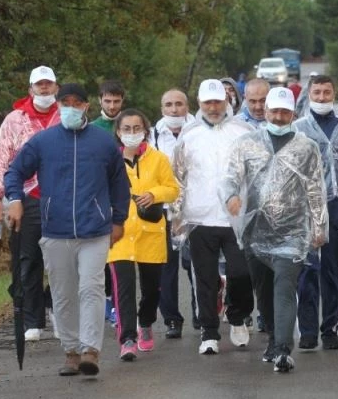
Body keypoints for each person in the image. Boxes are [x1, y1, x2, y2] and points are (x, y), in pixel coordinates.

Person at [5, 83, 131, 376]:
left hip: (94, 230)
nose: (71, 107)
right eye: (66, 102)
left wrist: (118, 220)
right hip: (55, 230)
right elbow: (14, 172)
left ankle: (90, 350)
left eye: (77, 103)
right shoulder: (43, 142)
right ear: (59, 106)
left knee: (91, 287)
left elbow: (119, 184)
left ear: (87, 106)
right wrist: (14, 200)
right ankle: (71, 350)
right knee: (63, 293)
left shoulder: (103, 142)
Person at [222, 87, 328, 373]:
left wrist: (319, 227)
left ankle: (283, 349)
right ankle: (272, 338)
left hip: (292, 233)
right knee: (264, 291)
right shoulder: (247, 144)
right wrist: (230, 196)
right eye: (274, 111)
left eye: (285, 112)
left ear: (293, 113)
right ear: (265, 111)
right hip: (256, 231)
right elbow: (230, 177)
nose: (279, 117)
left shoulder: (307, 147)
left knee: (284, 286)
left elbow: (316, 189)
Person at [171, 79, 255, 355]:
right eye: (208, 102)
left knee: (241, 273)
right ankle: (209, 332)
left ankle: (238, 315)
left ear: (227, 101)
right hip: (200, 217)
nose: (213, 107)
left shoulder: (244, 130)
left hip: (236, 217)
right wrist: (177, 215)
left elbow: (255, 171)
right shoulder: (189, 134)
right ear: (200, 104)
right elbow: (178, 176)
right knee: (204, 278)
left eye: (218, 101)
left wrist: (250, 205)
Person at [293, 75, 338, 350]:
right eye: (317, 92)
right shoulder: (298, 128)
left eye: (327, 93)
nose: (322, 97)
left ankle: (331, 328)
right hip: (306, 206)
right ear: (309, 95)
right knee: (308, 268)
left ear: (335, 95)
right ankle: (309, 329)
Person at [0, 65, 60, 342]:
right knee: (28, 259)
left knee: (62, 257)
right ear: (30, 89)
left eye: (48, 84)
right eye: (39, 85)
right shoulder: (15, 120)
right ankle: (33, 319)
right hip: (24, 197)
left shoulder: (66, 116)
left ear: (56, 87)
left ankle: (53, 303)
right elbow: (0, 159)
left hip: (60, 196)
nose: (44, 89)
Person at [106, 109, 179, 361]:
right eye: (126, 129)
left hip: (151, 231)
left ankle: (146, 321)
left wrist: (155, 194)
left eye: (137, 128)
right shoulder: (108, 161)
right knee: (124, 287)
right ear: (118, 132)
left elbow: (172, 189)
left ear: (145, 131)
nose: (132, 133)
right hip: (120, 233)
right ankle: (127, 338)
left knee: (151, 289)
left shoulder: (158, 159)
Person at [151, 89, 198, 338]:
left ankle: (201, 314)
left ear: (187, 106)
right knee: (165, 268)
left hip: (195, 210)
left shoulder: (200, 132)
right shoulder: (152, 136)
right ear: (161, 108)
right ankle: (171, 319)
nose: (174, 109)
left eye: (179, 104)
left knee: (195, 265)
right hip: (164, 211)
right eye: (168, 104)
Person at [90, 79, 127, 324]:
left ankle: (119, 302)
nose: (112, 106)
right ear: (100, 100)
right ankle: (104, 299)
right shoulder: (93, 128)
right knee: (101, 251)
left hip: (127, 192)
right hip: (99, 194)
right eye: (108, 101)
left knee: (122, 252)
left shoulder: (131, 124)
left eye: (116, 101)